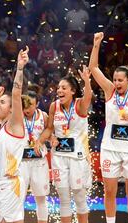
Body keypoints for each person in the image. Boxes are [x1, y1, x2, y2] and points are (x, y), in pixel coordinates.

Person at [89, 32, 128, 223]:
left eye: (120, 80)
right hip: (110, 149)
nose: (116, 83)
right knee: (109, 190)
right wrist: (96, 44)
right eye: (115, 79)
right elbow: (93, 68)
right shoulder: (110, 91)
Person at [34, 66, 93, 223]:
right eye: (58, 87)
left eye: (64, 88)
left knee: (79, 197)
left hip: (78, 157)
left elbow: (88, 96)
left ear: (73, 91)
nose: (59, 90)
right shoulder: (54, 106)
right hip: (59, 156)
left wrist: (87, 80)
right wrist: (41, 140)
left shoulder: (80, 104)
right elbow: (49, 128)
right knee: (64, 198)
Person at [0, 47, 29, 223]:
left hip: (9, 184)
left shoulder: (15, 124)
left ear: (11, 109)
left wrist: (20, 68)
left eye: (2, 102)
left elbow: (16, 94)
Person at [19, 91, 50, 223]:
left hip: (39, 163)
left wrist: (51, 139)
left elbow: (49, 131)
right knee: (18, 198)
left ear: (37, 104)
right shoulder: (17, 116)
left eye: (30, 104)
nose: (27, 108)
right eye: (25, 105)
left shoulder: (43, 116)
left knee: (41, 198)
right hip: (21, 162)